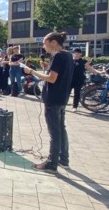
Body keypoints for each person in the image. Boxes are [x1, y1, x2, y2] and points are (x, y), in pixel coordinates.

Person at [23, 31, 74, 172]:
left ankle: (52, 163)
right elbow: (58, 75)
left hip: (53, 98)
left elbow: (51, 78)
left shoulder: (57, 56)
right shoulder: (68, 55)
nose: (43, 46)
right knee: (61, 129)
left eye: (45, 43)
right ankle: (64, 159)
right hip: (62, 97)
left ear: (53, 42)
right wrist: (46, 68)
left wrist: (32, 71)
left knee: (54, 132)